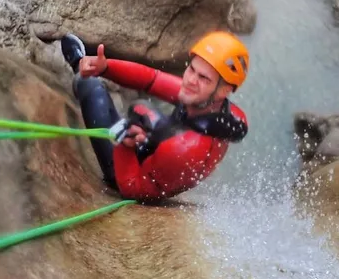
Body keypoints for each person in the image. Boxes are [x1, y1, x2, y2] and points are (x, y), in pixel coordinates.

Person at [51, 31, 250, 202]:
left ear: (224, 90)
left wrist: (125, 146)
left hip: (127, 176)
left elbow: (131, 188)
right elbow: (151, 80)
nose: (190, 80)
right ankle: (88, 67)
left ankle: (78, 64)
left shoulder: (184, 148)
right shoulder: (222, 111)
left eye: (204, 78)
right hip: (156, 154)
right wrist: (104, 68)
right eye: (191, 69)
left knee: (91, 86)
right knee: (140, 109)